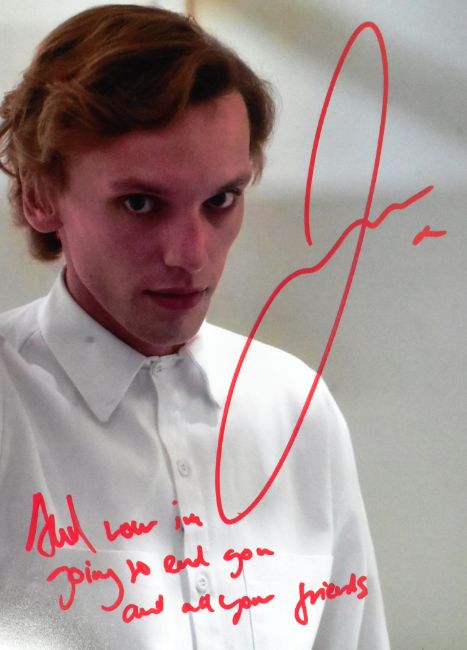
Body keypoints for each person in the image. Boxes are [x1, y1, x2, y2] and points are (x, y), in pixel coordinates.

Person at [0, 4, 389, 649]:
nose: (191, 254)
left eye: (221, 201)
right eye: (141, 203)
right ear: (41, 194)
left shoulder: (296, 408)